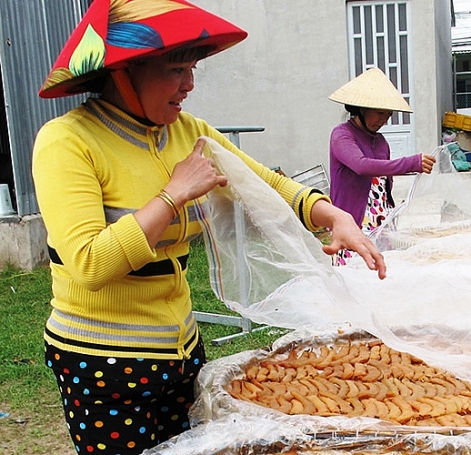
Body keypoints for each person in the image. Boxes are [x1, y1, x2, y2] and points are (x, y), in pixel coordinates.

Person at [32, 1, 385, 453]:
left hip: (180, 351)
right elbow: (89, 264)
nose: (190, 84)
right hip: (103, 361)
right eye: (176, 69)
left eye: (193, 68)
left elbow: (263, 183)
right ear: (123, 73)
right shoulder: (68, 141)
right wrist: (172, 194)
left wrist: (331, 214)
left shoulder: (186, 131)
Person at [327, 68, 436, 265]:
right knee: (355, 279)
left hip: (382, 225)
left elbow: (384, 183)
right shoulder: (342, 135)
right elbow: (362, 166)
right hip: (353, 224)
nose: (383, 120)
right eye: (379, 113)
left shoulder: (382, 142)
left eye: (388, 115)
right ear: (360, 108)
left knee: (380, 276)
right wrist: (411, 163)